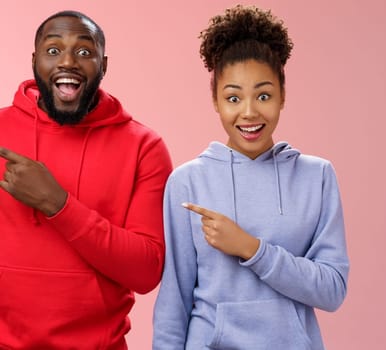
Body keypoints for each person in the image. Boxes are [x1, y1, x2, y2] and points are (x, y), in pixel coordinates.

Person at [152, 4, 350, 349]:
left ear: (282, 95)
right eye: (233, 97)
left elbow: (332, 289)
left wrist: (251, 248)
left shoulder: (316, 176)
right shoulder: (187, 182)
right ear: (215, 100)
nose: (249, 112)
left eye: (263, 95)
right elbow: (174, 301)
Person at [0, 10, 172, 349]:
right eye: (53, 51)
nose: (68, 62)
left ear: (103, 65)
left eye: (84, 52)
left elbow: (146, 271)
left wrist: (58, 205)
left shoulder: (144, 147)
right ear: (34, 60)